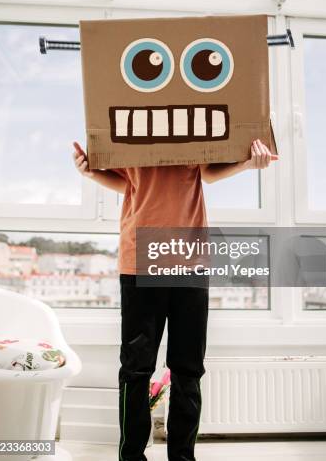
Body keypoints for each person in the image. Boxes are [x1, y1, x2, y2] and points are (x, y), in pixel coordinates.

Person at [72, 139, 278, 461]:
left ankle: (182, 458)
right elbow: (124, 179)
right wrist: (90, 173)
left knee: (188, 369)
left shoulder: (193, 125)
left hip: (190, 263)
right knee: (136, 369)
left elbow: (208, 174)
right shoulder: (130, 129)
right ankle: (131, 457)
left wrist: (249, 164)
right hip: (140, 260)